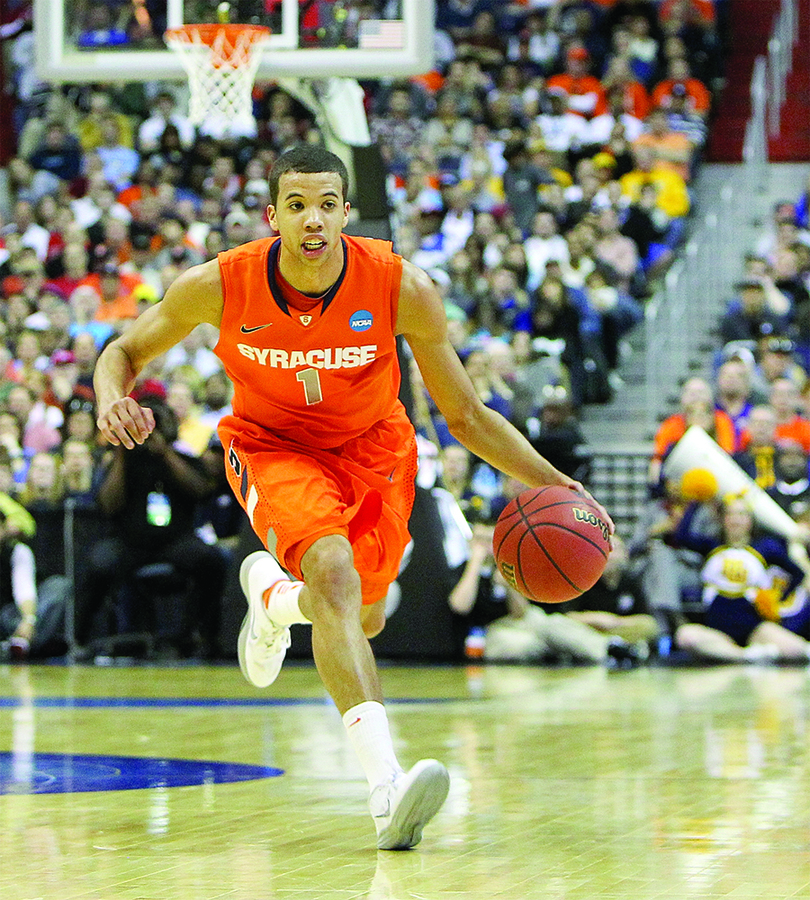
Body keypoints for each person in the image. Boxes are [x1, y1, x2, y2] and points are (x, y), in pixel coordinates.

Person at [93, 145, 613, 851]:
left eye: (327, 204)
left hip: (376, 450)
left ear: (346, 213)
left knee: (363, 617)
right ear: (272, 216)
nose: (312, 219)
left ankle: (276, 602)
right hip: (274, 446)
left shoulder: (402, 287)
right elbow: (123, 352)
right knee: (333, 573)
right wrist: (110, 398)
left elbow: (466, 416)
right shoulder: (218, 283)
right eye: (297, 205)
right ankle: (385, 786)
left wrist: (553, 481)